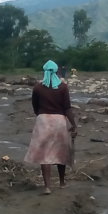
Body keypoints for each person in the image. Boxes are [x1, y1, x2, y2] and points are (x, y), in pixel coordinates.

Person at [24, 60, 77, 195]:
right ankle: (62, 182)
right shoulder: (63, 87)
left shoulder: (37, 87)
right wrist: (74, 124)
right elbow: (67, 108)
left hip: (43, 121)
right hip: (59, 121)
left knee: (44, 155)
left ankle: (47, 186)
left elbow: (35, 107)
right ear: (57, 71)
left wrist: (42, 116)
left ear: (44, 71)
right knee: (61, 152)